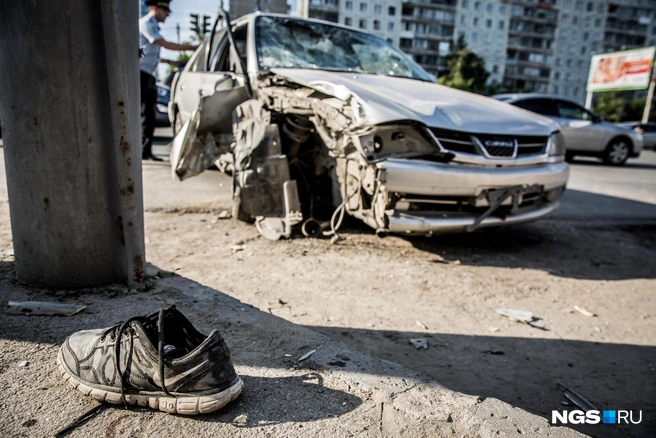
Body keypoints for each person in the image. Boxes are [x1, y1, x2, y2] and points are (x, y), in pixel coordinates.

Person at [140, 0, 198, 161]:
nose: (167, 15)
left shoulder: (154, 26)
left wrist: (171, 62)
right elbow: (163, 44)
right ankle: (138, 150)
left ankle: (145, 150)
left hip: (149, 75)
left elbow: (152, 54)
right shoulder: (145, 23)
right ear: (156, 8)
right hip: (140, 75)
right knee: (139, 114)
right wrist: (193, 48)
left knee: (149, 115)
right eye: (165, 11)